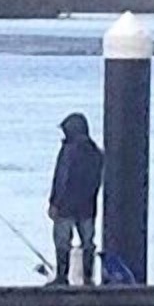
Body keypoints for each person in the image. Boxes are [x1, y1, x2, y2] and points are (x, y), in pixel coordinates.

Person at [48, 112, 104, 285]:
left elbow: (61, 179)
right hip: (88, 206)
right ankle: (88, 278)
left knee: (62, 242)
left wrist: (54, 203)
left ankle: (62, 277)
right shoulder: (96, 152)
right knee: (88, 243)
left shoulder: (67, 151)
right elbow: (98, 181)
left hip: (65, 206)